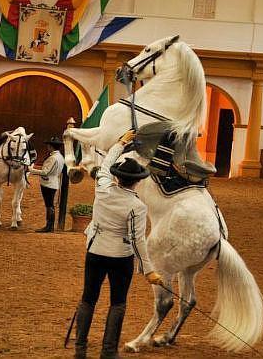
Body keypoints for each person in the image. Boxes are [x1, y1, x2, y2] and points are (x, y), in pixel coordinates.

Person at [74, 130, 163, 359]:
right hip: (120, 258)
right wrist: (149, 270)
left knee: (88, 299)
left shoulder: (102, 187)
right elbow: (137, 239)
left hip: (95, 251)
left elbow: (105, 166)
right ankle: (108, 351)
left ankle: (80, 349)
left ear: (118, 177)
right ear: (137, 181)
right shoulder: (137, 206)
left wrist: (120, 142)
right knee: (117, 303)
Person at [29, 136, 65, 233]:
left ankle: (49, 226)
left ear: (51, 146)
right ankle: (49, 226)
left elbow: (45, 172)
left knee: (49, 205)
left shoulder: (53, 158)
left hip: (48, 183)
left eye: (48, 145)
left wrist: (31, 170)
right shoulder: (60, 156)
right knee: (49, 205)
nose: (47, 147)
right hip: (52, 182)